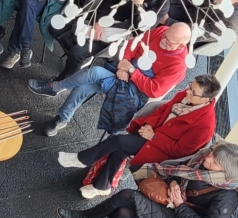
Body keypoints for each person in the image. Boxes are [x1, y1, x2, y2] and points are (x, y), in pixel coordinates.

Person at [57, 75, 221, 199]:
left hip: (162, 150)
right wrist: (149, 125)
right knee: (119, 150)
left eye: (193, 92)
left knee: (118, 141)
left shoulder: (205, 125)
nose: (187, 91)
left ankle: (82, 159)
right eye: (190, 86)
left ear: (206, 99)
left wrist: (153, 137)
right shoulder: (186, 95)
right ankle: (102, 186)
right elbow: (162, 111)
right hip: (151, 133)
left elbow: (179, 151)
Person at [58, 141, 238, 218]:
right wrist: (173, 182)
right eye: (213, 153)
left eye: (214, 161)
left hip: (176, 217)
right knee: (124, 211)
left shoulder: (227, 198)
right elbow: (176, 171)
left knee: (127, 196)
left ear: (225, 173)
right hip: (169, 198)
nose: (208, 157)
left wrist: (180, 205)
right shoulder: (204, 162)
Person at [28, 23, 191, 137]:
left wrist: (131, 71)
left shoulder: (178, 65)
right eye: (165, 36)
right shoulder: (162, 31)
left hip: (133, 89)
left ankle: (55, 87)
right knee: (82, 88)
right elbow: (133, 44)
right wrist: (124, 63)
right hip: (121, 70)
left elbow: (154, 90)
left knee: (95, 72)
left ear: (181, 45)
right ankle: (62, 118)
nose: (163, 40)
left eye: (169, 42)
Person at [57, 0, 172, 80]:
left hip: (119, 36)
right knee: (58, 28)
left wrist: (138, 6)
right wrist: (100, 20)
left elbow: (140, 30)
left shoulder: (162, 5)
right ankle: (78, 56)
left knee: (77, 52)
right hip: (106, 18)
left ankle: (63, 81)